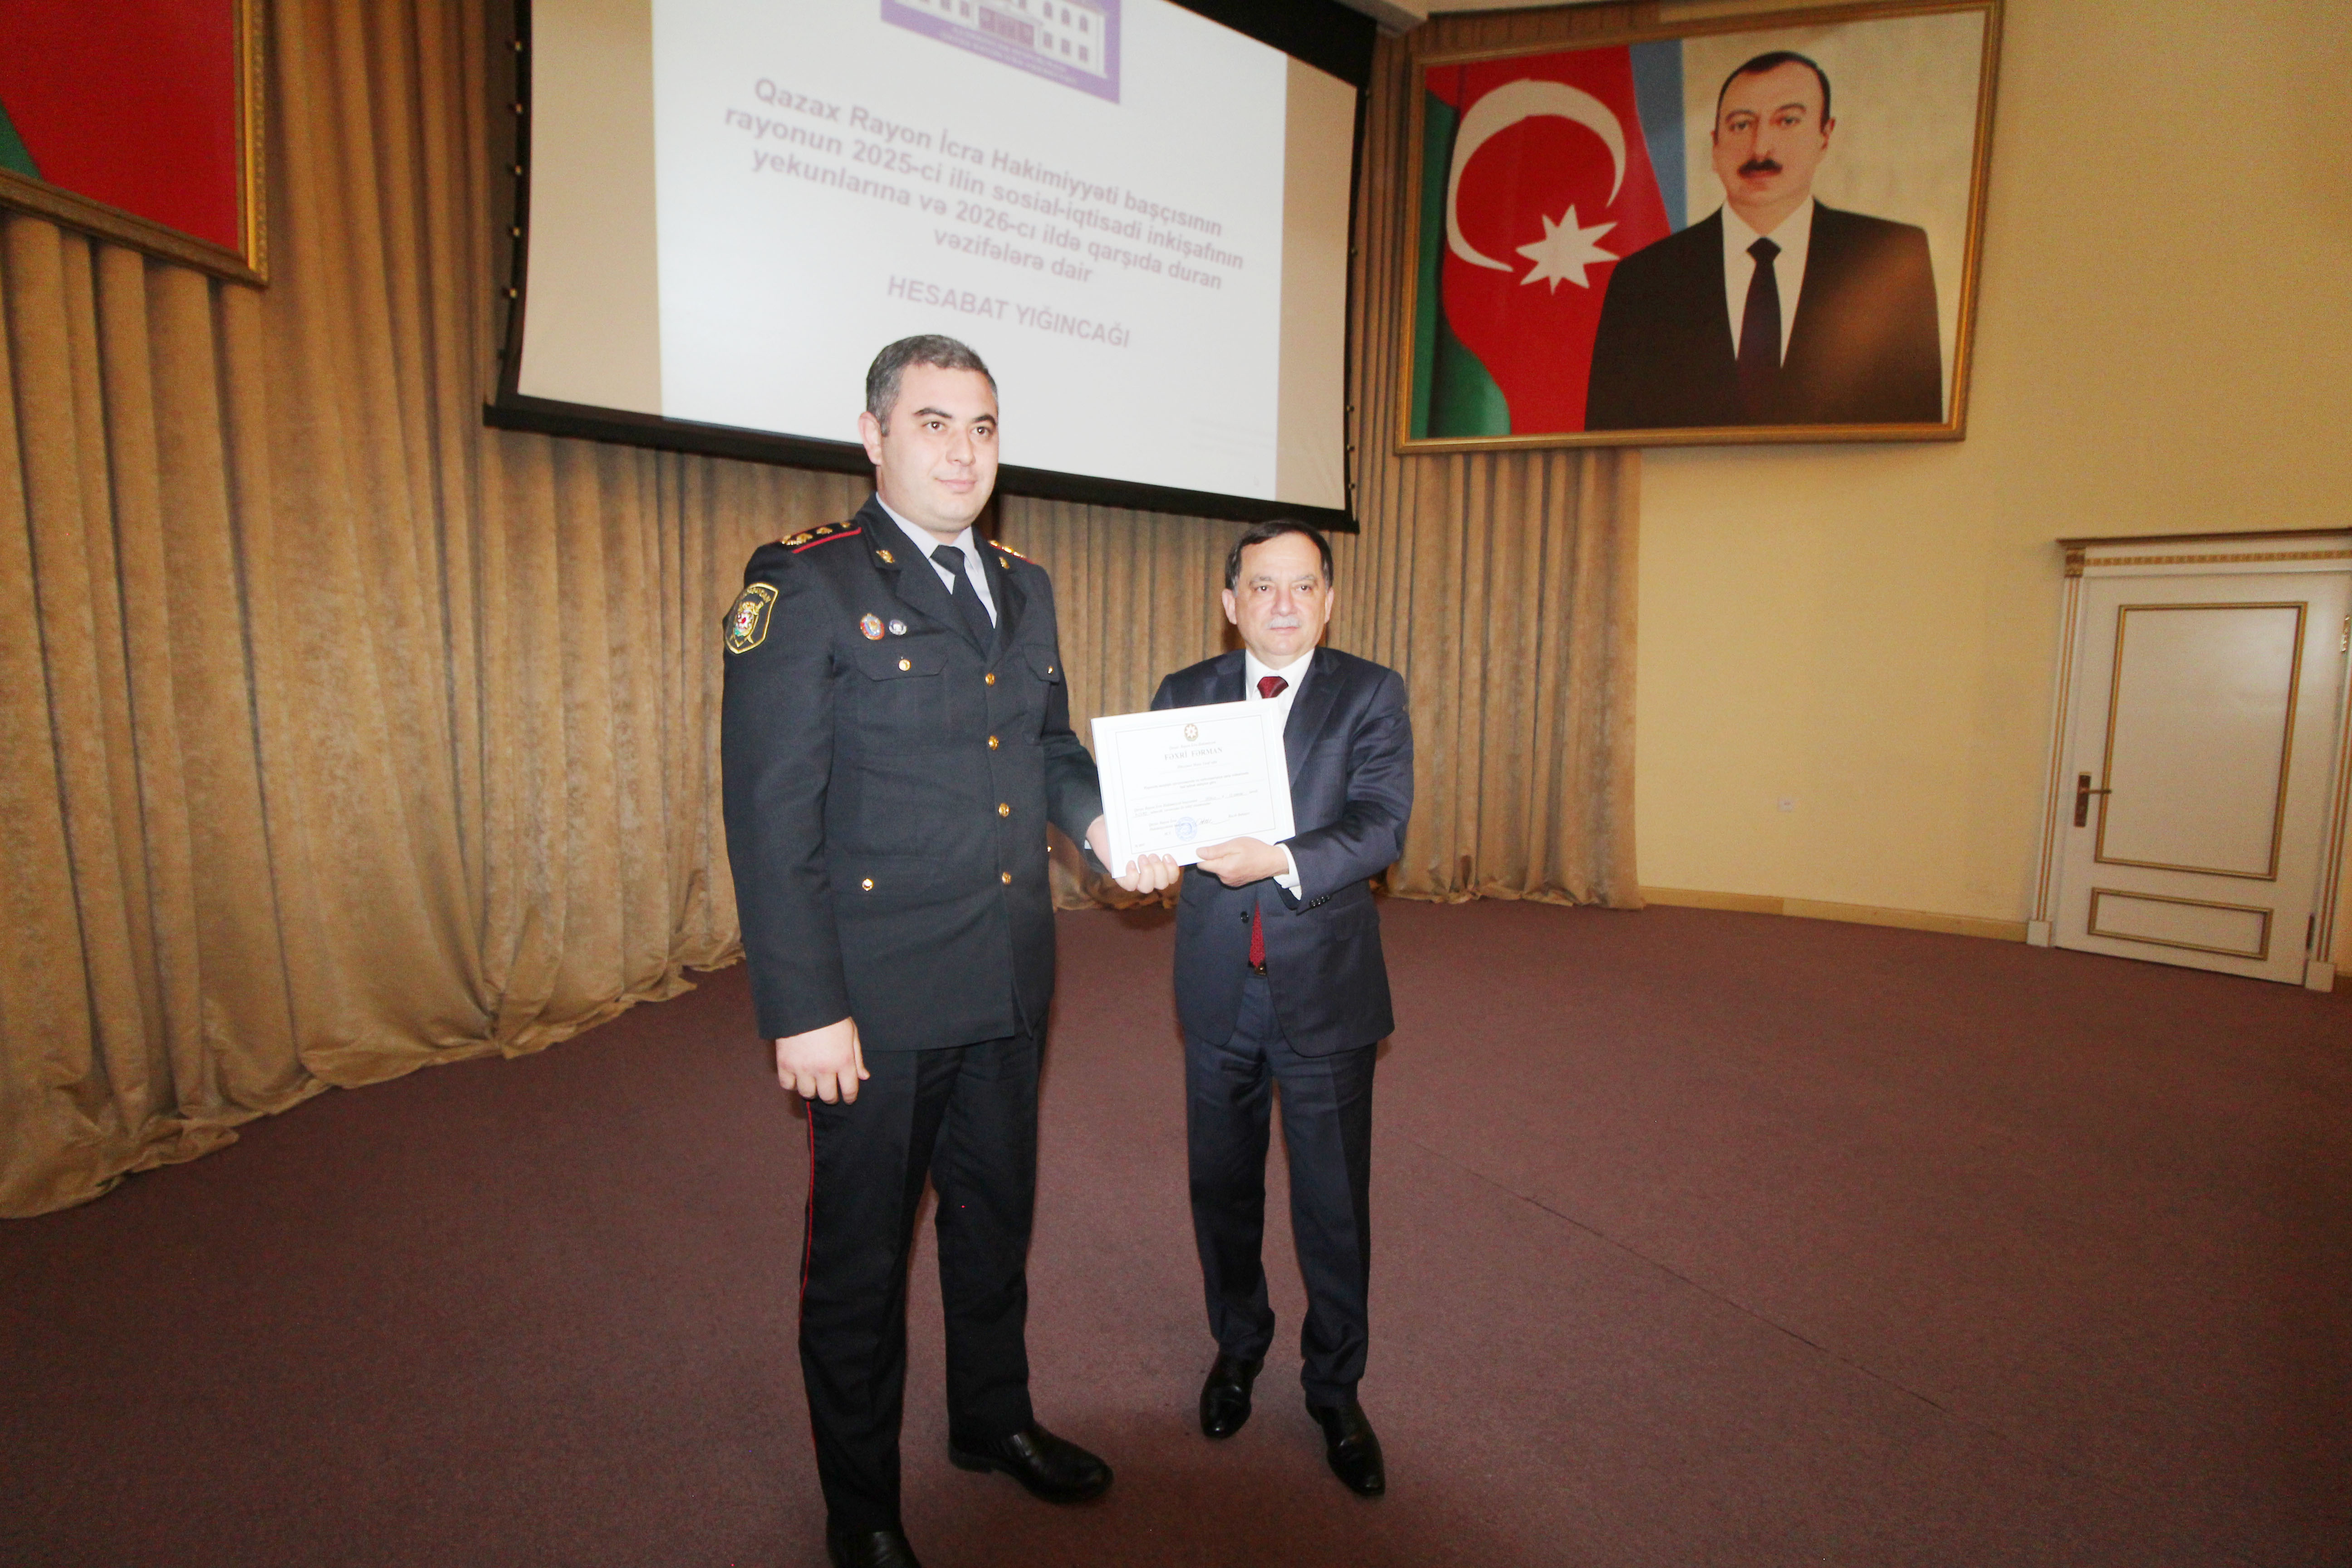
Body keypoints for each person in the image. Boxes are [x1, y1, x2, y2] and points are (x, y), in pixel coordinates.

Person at [720, 334, 1154, 1568]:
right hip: (875, 998)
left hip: (1009, 970)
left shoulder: (1025, 584)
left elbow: (1047, 745)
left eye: (982, 426)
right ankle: (861, 1508)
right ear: (872, 437)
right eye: (932, 423)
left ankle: (990, 1419)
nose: (963, 452)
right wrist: (802, 1007)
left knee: (992, 1217)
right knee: (862, 1263)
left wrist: (1100, 824)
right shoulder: (805, 582)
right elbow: (769, 812)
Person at [1142, 521, 1414, 1497]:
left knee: (1332, 1205)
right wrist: (1138, 854)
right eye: (1263, 586)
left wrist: (1282, 859)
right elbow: (1153, 821)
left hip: (1326, 993)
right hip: (1218, 989)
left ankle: (1335, 1388)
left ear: (1328, 601)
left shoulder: (1370, 693)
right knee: (1221, 1190)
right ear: (1232, 603)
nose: (1284, 604)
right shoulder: (1183, 695)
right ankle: (1238, 1343)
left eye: (1303, 586)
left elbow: (1381, 825)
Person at [1584, 50, 1944, 431]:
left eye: (1787, 121)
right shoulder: (1643, 281)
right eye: (1741, 125)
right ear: (1715, 145)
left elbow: (1916, 431)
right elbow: (1609, 442)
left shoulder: (1893, 256)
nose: (1760, 149)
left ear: (1825, 136)